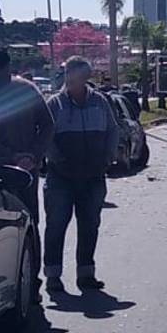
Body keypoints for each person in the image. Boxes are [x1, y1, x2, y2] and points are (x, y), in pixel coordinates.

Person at [0, 46, 54, 300]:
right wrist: (25, 156)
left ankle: (28, 284)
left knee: (22, 226)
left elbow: (46, 124)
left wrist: (31, 156)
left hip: (8, 170)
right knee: (3, 229)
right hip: (0, 172)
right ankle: (9, 284)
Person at [42, 56, 118, 293]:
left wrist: (108, 157)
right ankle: (53, 275)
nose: (72, 81)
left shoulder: (100, 102)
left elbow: (112, 129)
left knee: (89, 226)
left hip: (93, 176)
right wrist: (56, 158)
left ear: (86, 78)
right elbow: (45, 136)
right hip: (61, 177)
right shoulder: (55, 104)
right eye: (69, 76)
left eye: (78, 77)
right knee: (56, 226)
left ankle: (86, 274)